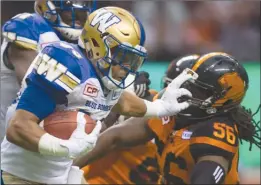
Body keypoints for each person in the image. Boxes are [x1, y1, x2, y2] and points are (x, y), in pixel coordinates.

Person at [1, 6, 192, 184]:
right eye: (122, 55)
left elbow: (123, 102)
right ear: (97, 44)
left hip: (60, 175)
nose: (126, 66)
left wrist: (160, 107)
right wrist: (61, 147)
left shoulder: (103, 74)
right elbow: (17, 127)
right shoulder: (69, 63)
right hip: (20, 175)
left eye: (132, 59)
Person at [74, 52, 261, 184]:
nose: (188, 92)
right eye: (189, 84)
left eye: (199, 90)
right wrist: (65, 166)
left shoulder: (216, 133)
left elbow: (207, 174)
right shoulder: (170, 108)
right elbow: (115, 137)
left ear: (221, 101)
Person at [0, 0, 96, 142]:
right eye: (70, 4)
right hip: (11, 137)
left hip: (47, 145)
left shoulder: (84, 43)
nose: (78, 11)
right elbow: (34, 89)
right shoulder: (30, 27)